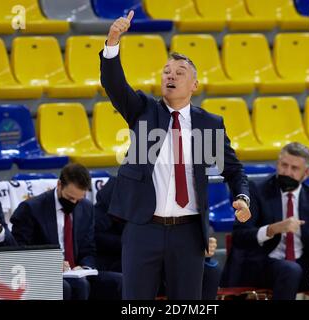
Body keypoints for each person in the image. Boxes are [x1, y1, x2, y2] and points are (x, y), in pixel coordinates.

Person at [100, 10, 251, 299]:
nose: (171, 76)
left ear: (194, 85)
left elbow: (234, 170)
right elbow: (114, 85)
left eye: (179, 73)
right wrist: (113, 41)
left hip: (188, 232)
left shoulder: (209, 124)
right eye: (167, 72)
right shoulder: (143, 110)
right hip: (144, 228)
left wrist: (242, 198)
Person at [223, 142, 309, 300]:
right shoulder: (256, 190)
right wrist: (272, 229)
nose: (287, 172)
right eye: (284, 165)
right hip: (262, 266)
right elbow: (239, 236)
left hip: (304, 269)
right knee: (290, 270)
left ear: (307, 173)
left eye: (294, 168)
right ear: (277, 164)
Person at [94, 177, 222, 300]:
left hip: (169, 252)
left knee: (210, 272)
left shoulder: (178, 189)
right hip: (123, 257)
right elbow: (97, 236)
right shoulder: (115, 189)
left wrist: (202, 241)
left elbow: (199, 223)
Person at [10, 163, 122, 300]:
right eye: (70, 198)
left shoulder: (86, 208)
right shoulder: (31, 209)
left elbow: (88, 248)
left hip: (76, 273)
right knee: (76, 286)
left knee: (119, 282)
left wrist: (85, 267)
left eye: (78, 199)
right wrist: (52, 262)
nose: (74, 203)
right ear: (59, 185)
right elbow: (18, 251)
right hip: (44, 272)